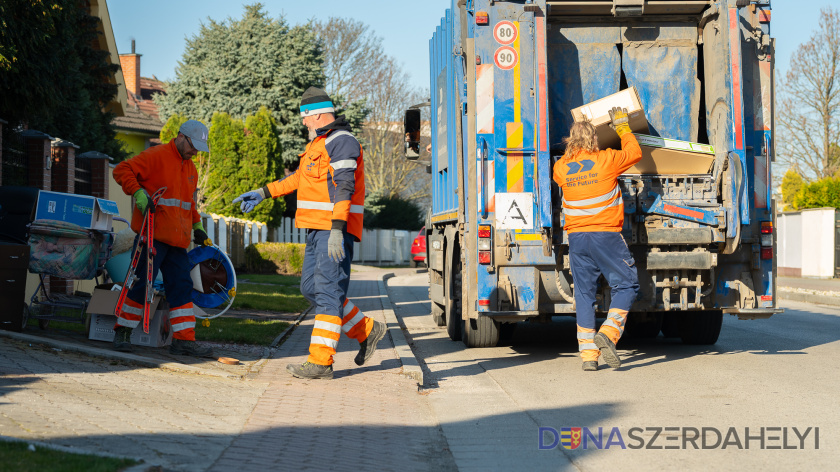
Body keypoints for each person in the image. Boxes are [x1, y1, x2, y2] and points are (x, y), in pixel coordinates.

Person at [233, 87, 386, 380]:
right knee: (310, 288)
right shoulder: (320, 143)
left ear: (316, 113)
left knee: (328, 292)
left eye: (304, 116)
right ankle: (366, 329)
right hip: (317, 230)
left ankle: (321, 362)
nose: (303, 122)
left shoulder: (342, 142)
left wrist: (338, 230)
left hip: (333, 230)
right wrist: (263, 193)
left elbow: (345, 187)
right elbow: (298, 180)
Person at [112, 120, 214, 357]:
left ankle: (183, 341)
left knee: (181, 288)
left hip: (177, 242)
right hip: (152, 237)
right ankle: (123, 332)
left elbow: (188, 203)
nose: (195, 152)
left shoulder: (191, 169)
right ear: (181, 137)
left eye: (199, 148)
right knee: (140, 284)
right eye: (193, 146)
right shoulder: (156, 156)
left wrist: (197, 226)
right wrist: (137, 192)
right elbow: (121, 170)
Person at [552, 108, 642, 371]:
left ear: (570, 140)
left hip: (577, 238)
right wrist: (622, 127)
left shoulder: (560, 168)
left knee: (584, 294)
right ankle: (609, 333)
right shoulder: (607, 160)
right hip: (607, 236)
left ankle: (589, 357)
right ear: (594, 140)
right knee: (626, 285)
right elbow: (635, 153)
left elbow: (564, 174)